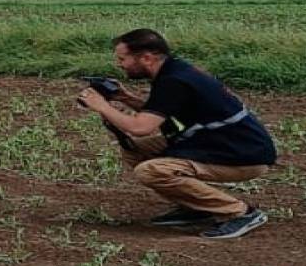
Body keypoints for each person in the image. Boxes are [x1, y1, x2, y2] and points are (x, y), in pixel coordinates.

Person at [76, 28, 277, 239]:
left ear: (146, 57)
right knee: (134, 150)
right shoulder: (175, 71)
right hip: (221, 144)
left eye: (122, 58)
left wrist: (101, 106)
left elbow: (140, 128)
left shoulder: (173, 81)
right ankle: (198, 206)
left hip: (243, 155)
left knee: (151, 171)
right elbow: (164, 113)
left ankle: (240, 213)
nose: (119, 64)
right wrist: (125, 98)